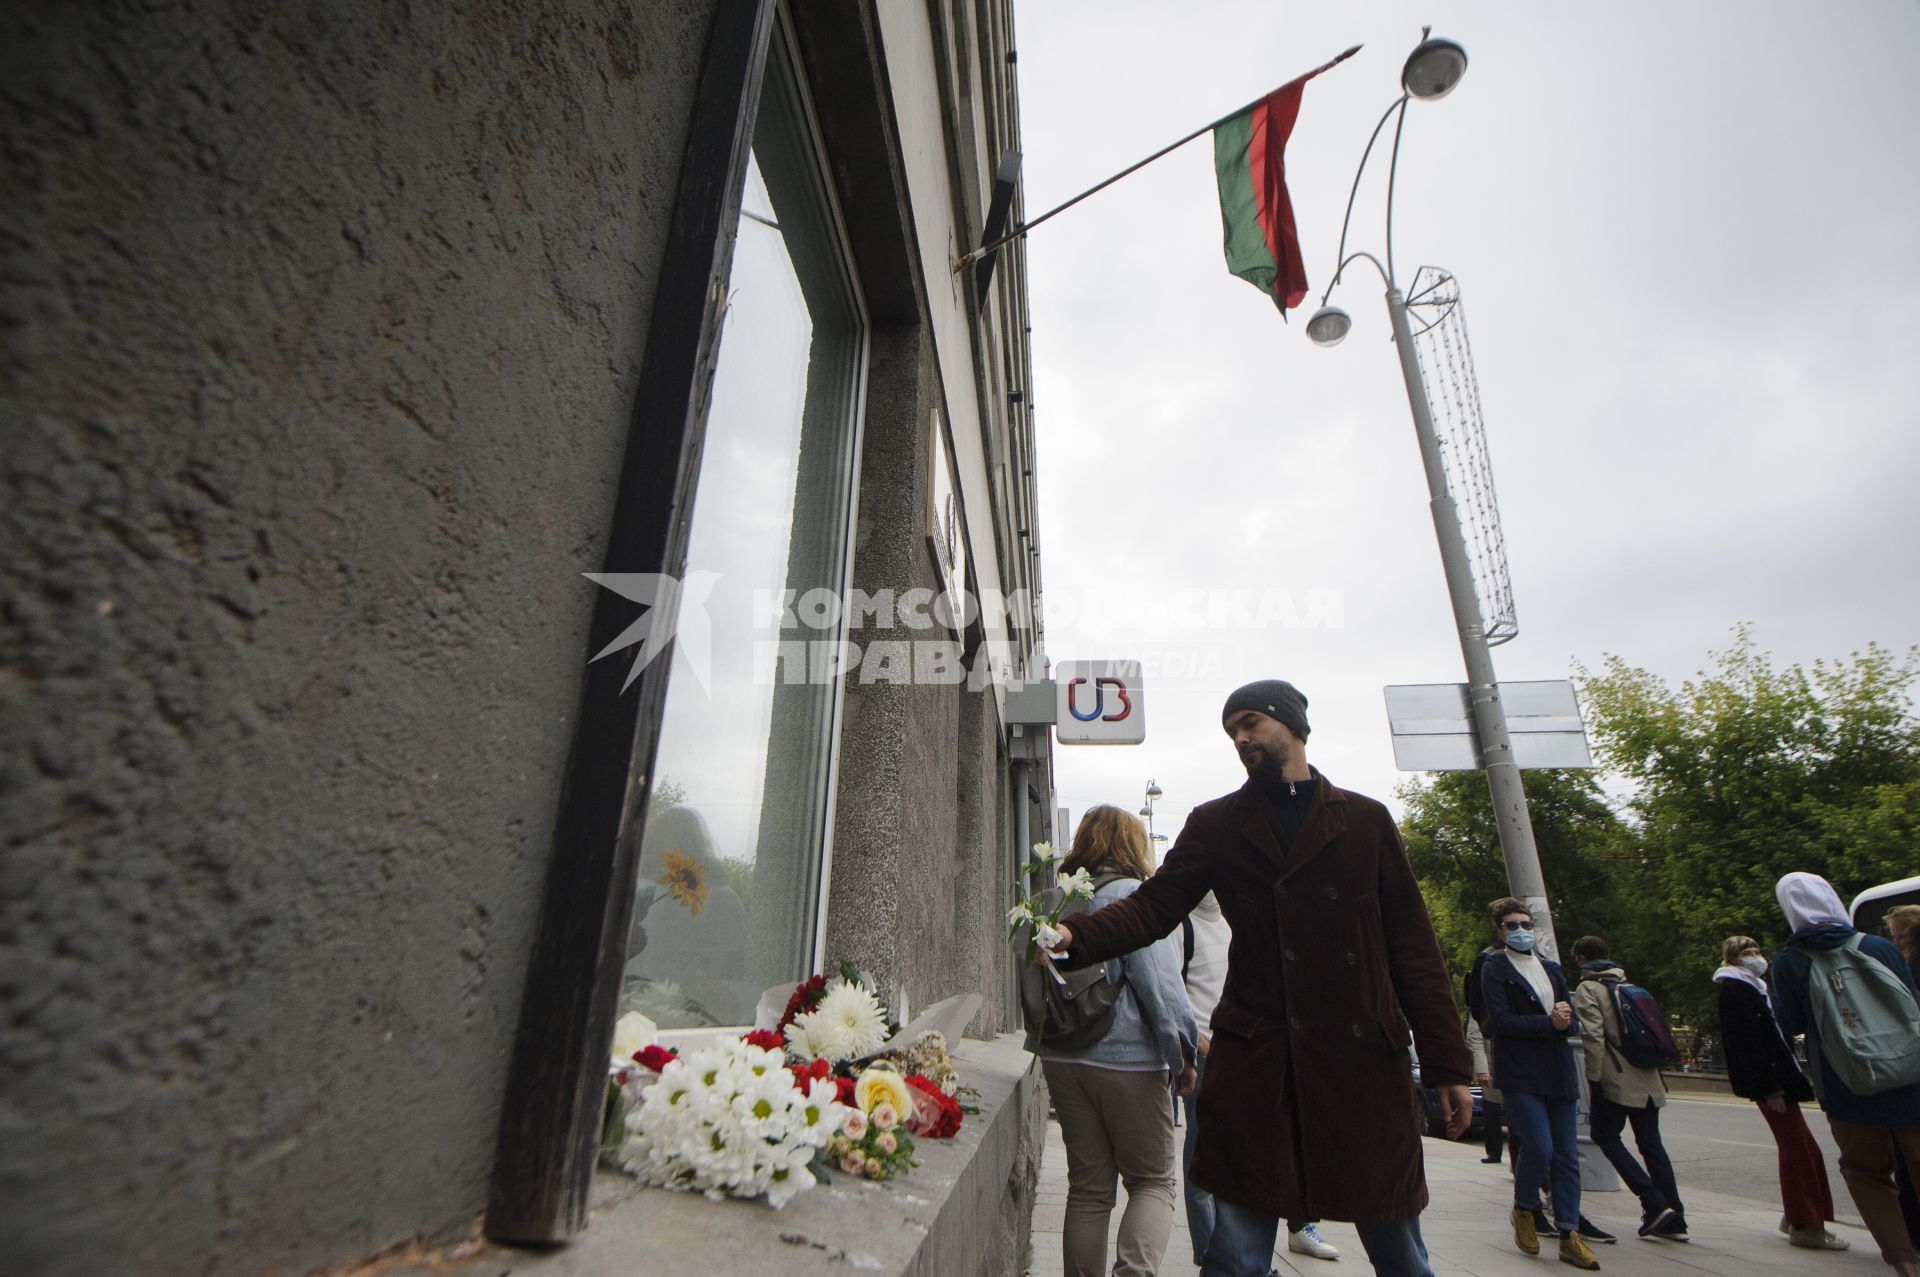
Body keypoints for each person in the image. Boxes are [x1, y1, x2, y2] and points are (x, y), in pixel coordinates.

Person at [1042, 679, 1473, 1277]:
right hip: (1259, 1060)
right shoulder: (1217, 824)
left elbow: (1415, 951)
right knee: (1236, 1257)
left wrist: (1448, 1065)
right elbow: (1153, 907)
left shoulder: (1367, 822)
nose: (1241, 738)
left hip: (1359, 1064)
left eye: (1251, 723)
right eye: (1232, 731)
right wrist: (1077, 936)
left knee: (1398, 1249)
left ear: (1293, 724)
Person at [1035, 804, 1197, 1277]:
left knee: (1088, 1187)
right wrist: (1183, 1055)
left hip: (1065, 1059)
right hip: (1128, 1060)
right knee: (1152, 1182)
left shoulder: (1059, 901)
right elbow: (1162, 992)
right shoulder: (1132, 898)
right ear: (1132, 845)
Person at [1770, 872, 1920, 1277]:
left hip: (1846, 1082)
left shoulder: (1789, 962)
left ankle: (1904, 1261)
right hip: (1911, 1076)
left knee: (1866, 1173)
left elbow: (1791, 1023)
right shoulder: (1875, 946)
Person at [1181, 890, 1341, 1267]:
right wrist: (1197, 1043)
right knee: (1203, 1153)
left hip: (1246, 1049)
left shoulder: (1233, 921)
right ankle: (1208, 1249)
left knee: (1264, 1147)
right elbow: (1172, 988)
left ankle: (1297, 1228)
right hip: (1205, 1054)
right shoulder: (1181, 925)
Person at [1481, 899, 1601, 1270]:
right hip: (1520, 1073)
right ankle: (1524, 1207)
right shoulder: (1495, 968)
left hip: (1557, 1071)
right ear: (1500, 931)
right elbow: (1499, 1022)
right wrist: (1549, 1023)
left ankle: (1569, 1233)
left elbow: (1572, 1021)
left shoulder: (1550, 969)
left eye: (1527, 924)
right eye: (1512, 925)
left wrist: (1566, 1021)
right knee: (1540, 1146)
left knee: (1567, 1155)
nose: (1521, 930)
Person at [1713, 933, 1848, 1252]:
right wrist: (1770, 1088)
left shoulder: (1754, 987)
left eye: (1757, 950)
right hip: (1773, 1084)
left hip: (1780, 1080)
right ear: (1732, 958)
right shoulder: (1736, 990)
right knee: (1797, 1150)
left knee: (1805, 1149)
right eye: (1747, 952)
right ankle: (1804, 1225)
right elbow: (1749, 1045)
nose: (1756, 956)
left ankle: (1799, 1217)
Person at [1569, 935, 1688, 1242]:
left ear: (1581, 960)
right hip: (1647, 1077)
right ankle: (1675, 1218)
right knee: (1652, 1143)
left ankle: (1653, 1201)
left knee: (1604, 1135)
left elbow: (1593, 1037)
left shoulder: (1588, 988)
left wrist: (1593, 1078)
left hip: (1615, 1076)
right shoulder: (1630, 985)